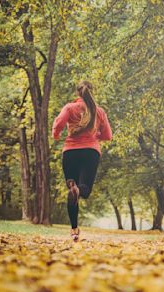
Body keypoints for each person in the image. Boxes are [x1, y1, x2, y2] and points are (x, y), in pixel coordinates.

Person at [52, 80, 112, 241]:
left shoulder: (69, 108)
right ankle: (79, 190)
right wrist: (94, 136)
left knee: (72, 189)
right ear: (92, 92)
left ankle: (74, 229)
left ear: (78, 93)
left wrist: (56, 135)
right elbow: (108, 136)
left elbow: (58, 123)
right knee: (84, 189)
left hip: (70, 152)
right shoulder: (99, 111)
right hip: (91, 152)